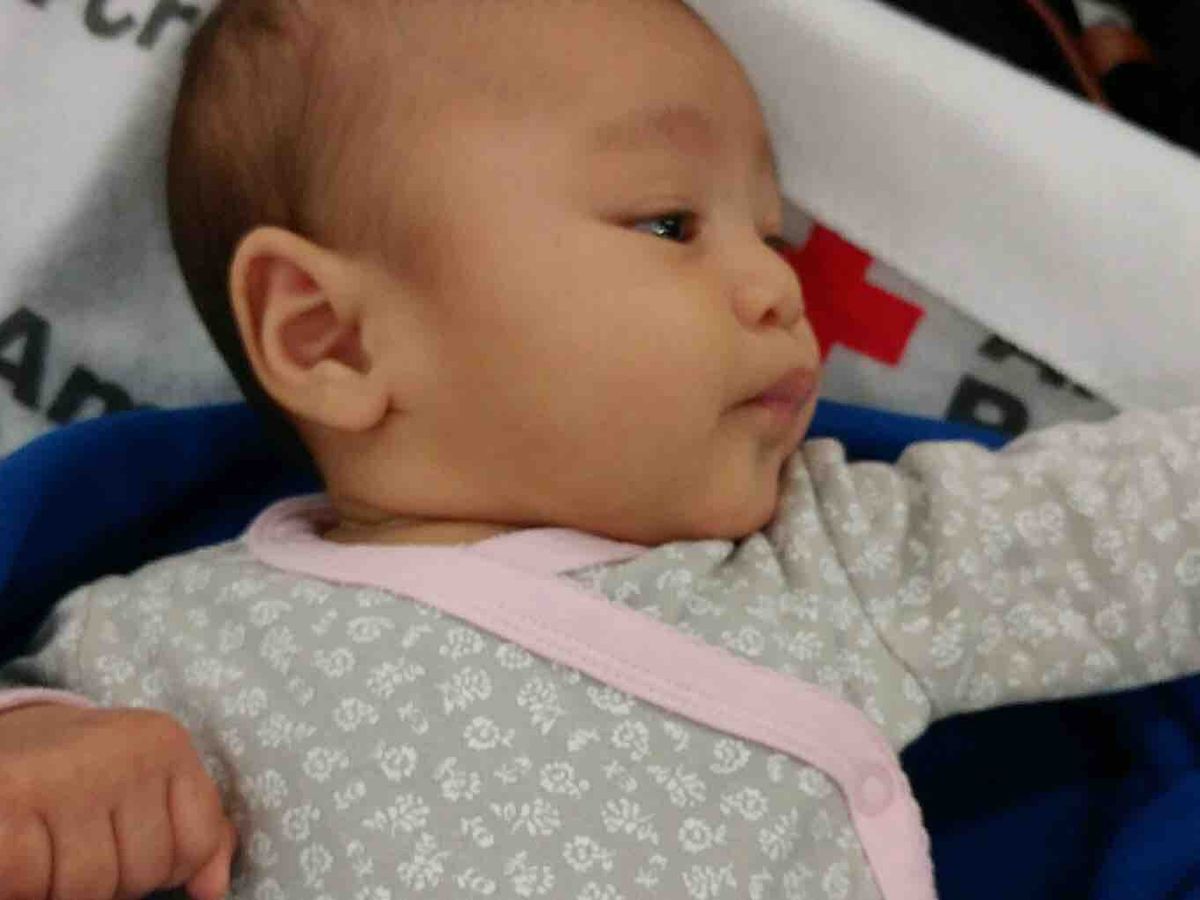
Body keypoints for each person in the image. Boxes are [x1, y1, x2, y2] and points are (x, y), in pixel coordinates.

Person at [3, 0, 1200, 897]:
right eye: (669, 223)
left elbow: (1133, 525)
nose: (779, 286)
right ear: (332, 337)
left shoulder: (827, 561)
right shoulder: (149, 647)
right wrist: (44, 761)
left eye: (771, 235)